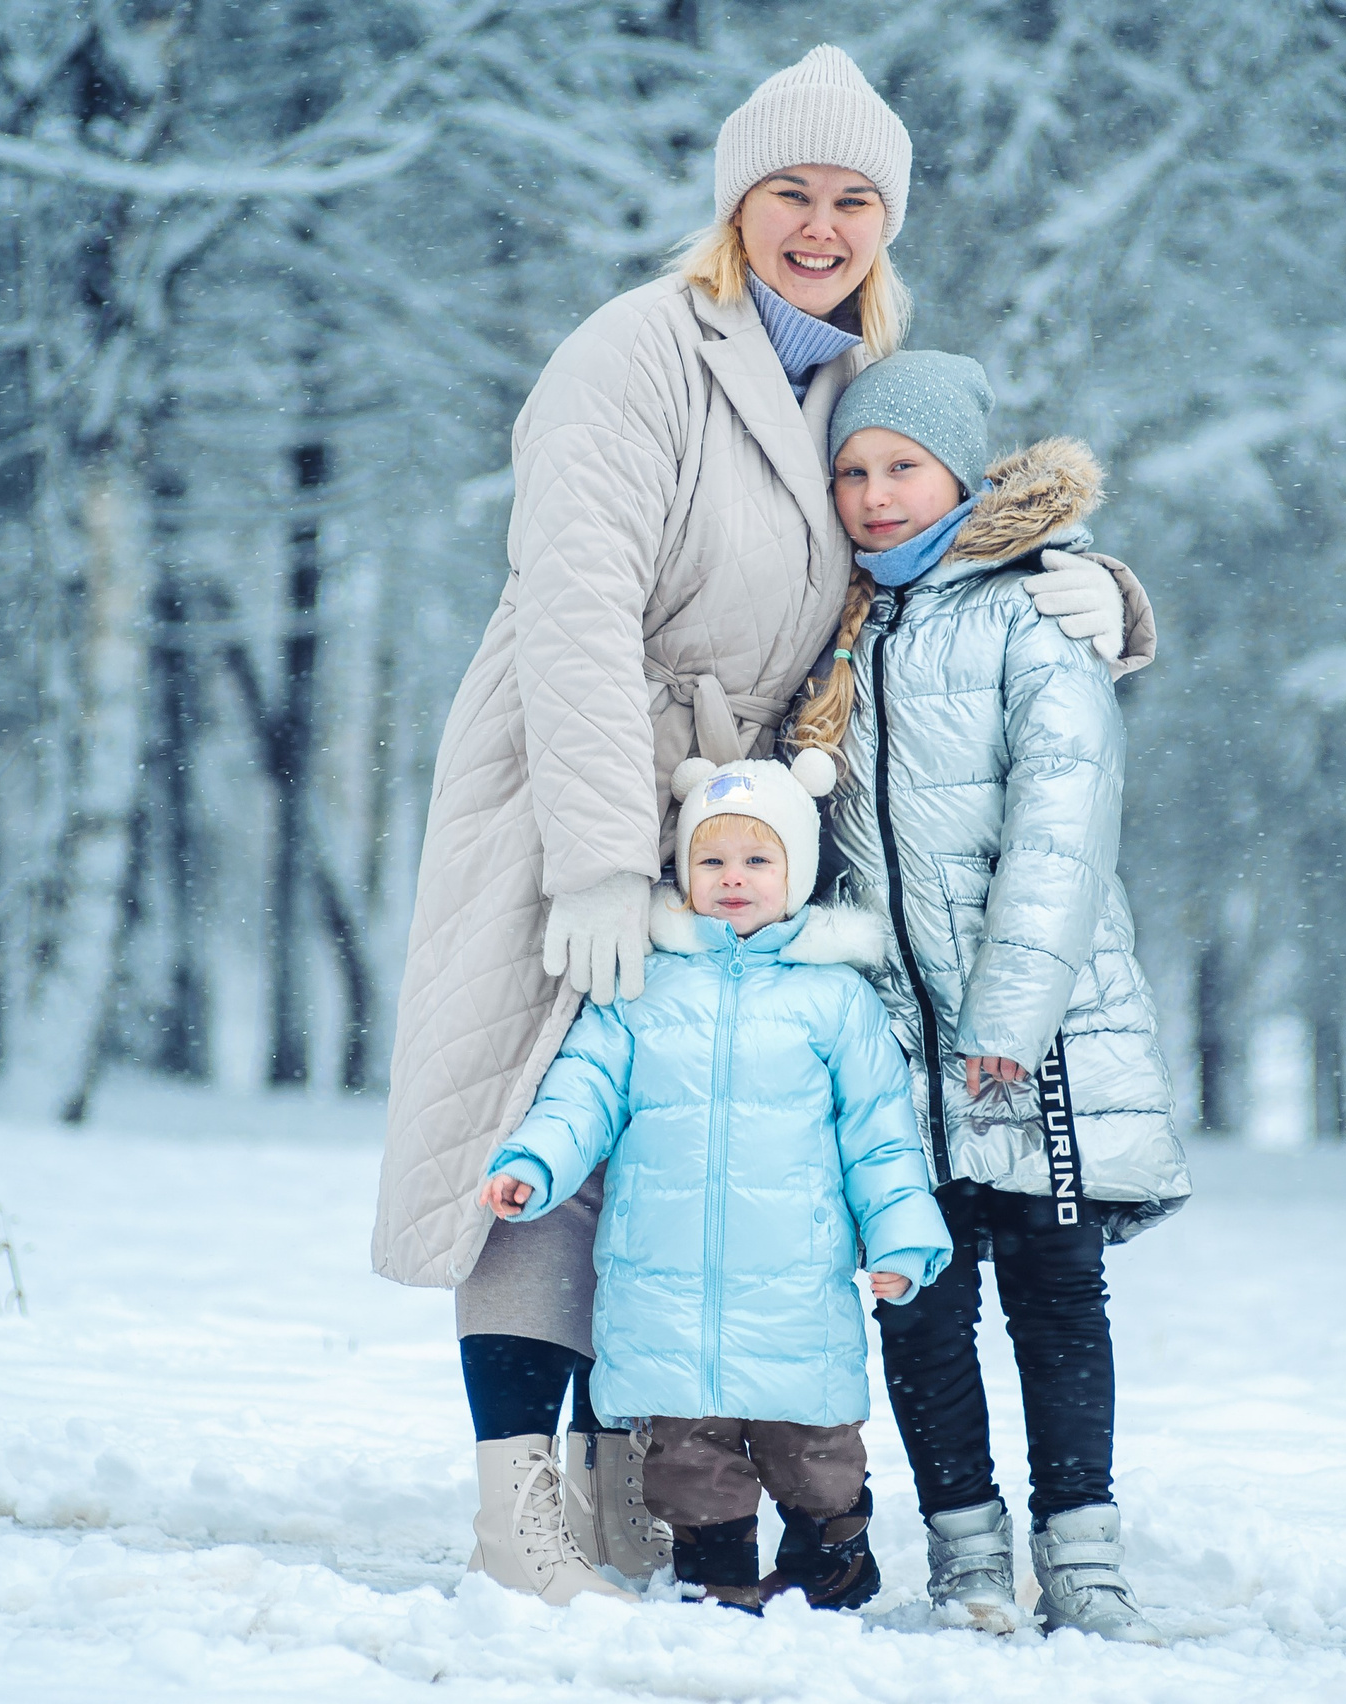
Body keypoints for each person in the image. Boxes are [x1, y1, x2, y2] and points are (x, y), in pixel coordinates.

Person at [368, 46, 1139, 1602]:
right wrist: (594, 852)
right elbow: (574, 605)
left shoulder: (850, 379)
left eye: (857, 198)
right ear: (737, 200)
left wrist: (1101, 598)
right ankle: (516, 1500)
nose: (822, 222)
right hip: (575, 772)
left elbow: (936, 542)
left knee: (677, 1145)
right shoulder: (637, 349)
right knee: (547, 1127)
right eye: (792, 190)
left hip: (741, 813)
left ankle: (617, 1485)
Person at [789, 350, 1192, 1643]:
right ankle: (964, 1550)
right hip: (895, 1040)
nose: (874, 494)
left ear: (960, 473)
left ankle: (1083, 1551)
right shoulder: (842, 627)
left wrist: (1009, 1023)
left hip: (1040, 1030)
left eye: (901, 467)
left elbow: (1063, 830)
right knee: (921, 1289)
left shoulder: (1039, 614)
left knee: (1056, 1287)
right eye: (852, 471)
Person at [476, 753, 952, 1611]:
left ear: (798, 873)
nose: (734, 879)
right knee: (687, 1458)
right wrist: (535, 1163)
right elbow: (581, 1089)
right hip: (668, 1288)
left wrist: (903, 1237)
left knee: (813, 1453)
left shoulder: (835, 1001)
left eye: (757, 860)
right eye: (712, 861)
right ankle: (715, 1572)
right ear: (684, 872)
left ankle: (833, 1553)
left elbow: (879, 1134)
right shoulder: (641, 988)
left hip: (795, 1291)